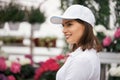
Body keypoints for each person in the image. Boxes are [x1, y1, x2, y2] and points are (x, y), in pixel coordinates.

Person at [50, 4, 102, 80]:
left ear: (85, 26)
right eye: (63, 25)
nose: (63, 30)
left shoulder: (82, 60)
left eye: (69, 24)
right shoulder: (85, 55)